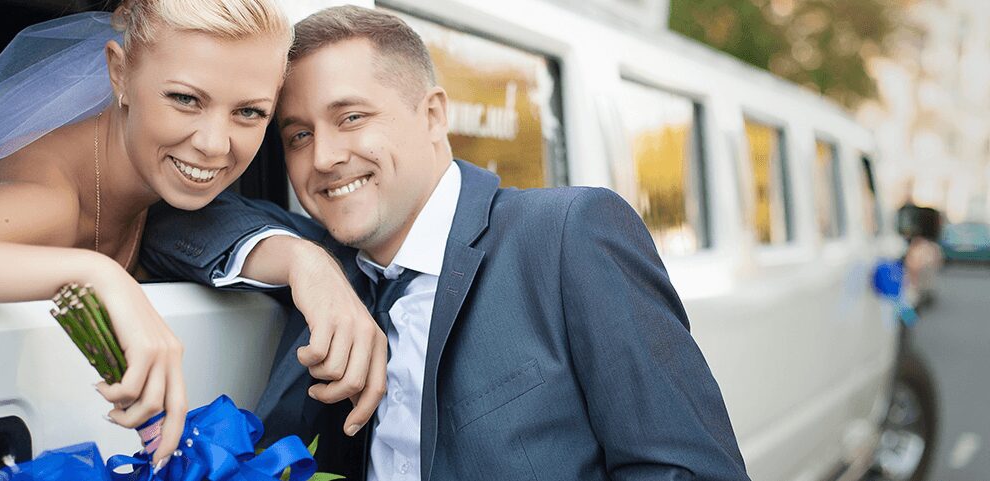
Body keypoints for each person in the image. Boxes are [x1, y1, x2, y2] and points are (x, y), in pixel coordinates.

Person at [141, 5, 750, 480]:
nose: (323, 157)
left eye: (351, 117)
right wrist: (306, 263)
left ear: (433, 115)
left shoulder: (566, 234)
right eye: (298, 135)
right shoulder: (325, 258)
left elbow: (685, 468)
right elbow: (167, 222)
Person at [0, 0, 385, 470]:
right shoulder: (51, 200)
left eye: (249, 112)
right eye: (185, 99)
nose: (214, 145)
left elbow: (220, 222)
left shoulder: (154, 186)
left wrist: (310, 262)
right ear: (119, 72)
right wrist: (97, 275)